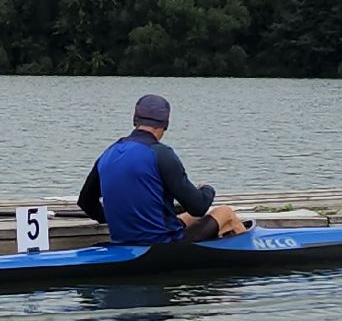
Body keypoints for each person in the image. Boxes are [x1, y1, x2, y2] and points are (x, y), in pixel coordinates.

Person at [77, 93, 245, 245]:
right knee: (225, 212)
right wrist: (207, 189)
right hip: (162, 246)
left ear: (135, 120)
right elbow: (199, 206)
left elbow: (85, 202)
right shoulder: (161, 154)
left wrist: (112, 218)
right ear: (165, 123)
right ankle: (248, 257)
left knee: (186, 217)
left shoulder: (109, 153)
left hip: (123, 239)